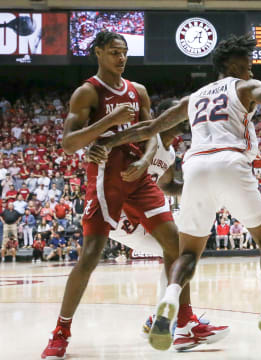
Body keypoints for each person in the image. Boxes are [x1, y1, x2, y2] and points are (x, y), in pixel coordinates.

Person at [97, 34, 261, 355]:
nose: (252, 69)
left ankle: (169, 300)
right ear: (234, 64)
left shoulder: (193, 97)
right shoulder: (244, 86)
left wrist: (105, 142)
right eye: (249, 64)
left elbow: (147, 128)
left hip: (195, 167)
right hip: (230, 160)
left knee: (186, 254)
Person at [41, 31, 191, 359]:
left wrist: (143, 159)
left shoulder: (138, 91)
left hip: (136, 175)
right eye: (113, 52)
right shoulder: (87, 92)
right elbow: (68, 144)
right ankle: (61, 330)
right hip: (105, 178)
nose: (120, 58)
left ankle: (182, 319)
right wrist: (108, 122)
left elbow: (152, 132)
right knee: (92, 253)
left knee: (176, 244)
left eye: (124, 52)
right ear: (98, 53)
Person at [89, 98, 229, 348]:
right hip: (121, 215)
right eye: (182, 114)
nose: (188, 119)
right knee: (177, 249)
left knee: (177, 252)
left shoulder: (170, 152)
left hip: (141, 212)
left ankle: (161, 320)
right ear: (166, 117)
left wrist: (197, 187)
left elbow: (165, 185)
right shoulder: (142, 141)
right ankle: (175, 322)